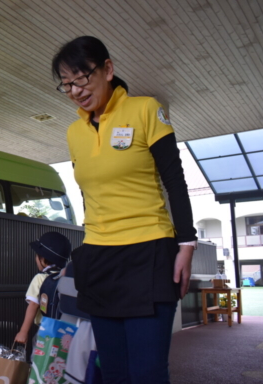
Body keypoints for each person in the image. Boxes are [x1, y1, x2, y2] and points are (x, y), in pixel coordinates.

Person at [52, 36, 197, 384]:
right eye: (66, 84)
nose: (75, 90)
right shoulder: (74, 132)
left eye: (81, 78)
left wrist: (186, 245)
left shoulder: (145, 109)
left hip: (149, 254)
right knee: (113, 372)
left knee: (146, 373)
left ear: (108, 69)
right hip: (100, 258)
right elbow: (89, 195)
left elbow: (175, 182)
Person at [14, 231, 71, 347]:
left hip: (46, 329)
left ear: (42, 259)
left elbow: (33, 305)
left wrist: (23, 331)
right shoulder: (67, 277)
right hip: (67, 331)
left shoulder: (40, 278)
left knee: (41, 361)